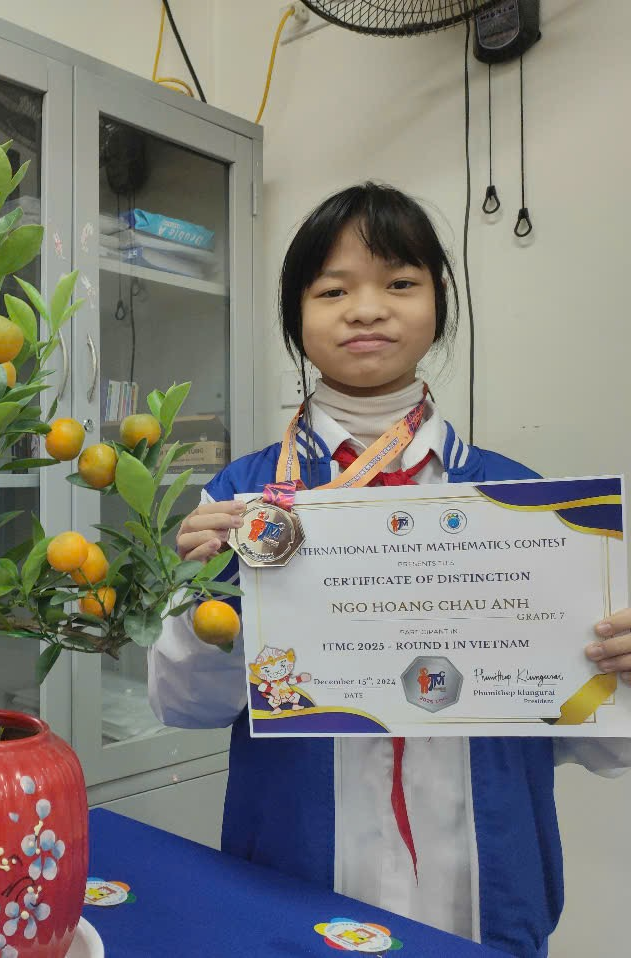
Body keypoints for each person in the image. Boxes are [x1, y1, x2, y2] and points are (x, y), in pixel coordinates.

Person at [148, 182, 631, 958]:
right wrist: (212, 601)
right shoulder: (242, 501)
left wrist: (620, 666)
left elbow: (603, 746)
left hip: (477, 884)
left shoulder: (527, 507)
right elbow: (183, 704)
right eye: (333, 290)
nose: (367, 310)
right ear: (295, 316)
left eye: (400, 283)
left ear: (438, 302)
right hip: (302, 874)